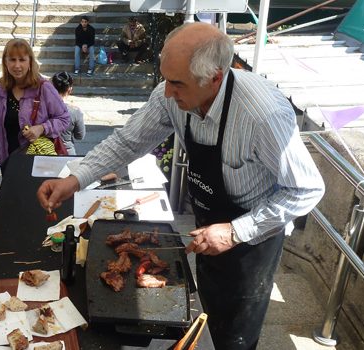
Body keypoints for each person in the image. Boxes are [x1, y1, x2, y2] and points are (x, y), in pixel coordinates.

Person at [37, 23, 325, 349]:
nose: (167, 93)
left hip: (253, 238)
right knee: (209, 308)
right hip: (208, 220)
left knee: (237, 333)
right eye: (165, 79)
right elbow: (129, 142)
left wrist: (235, 231)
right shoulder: (171, 94)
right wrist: (76, 179)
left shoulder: (262, 115)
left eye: (176, 84)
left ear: (214, 77)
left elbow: (306, 189)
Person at [0, 38, 70, 177]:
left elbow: (64, 118)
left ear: (30, 61)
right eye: (12, 59)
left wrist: (42, 128)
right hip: (9, 163)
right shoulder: (1, 90)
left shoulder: (43, 88)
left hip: (38, 164)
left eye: (22, 59)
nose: (17, 65)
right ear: (5, 62)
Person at [51, 72, 86, 155]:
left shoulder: (42, 108)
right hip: (67, 153)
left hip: (44, 151)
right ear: (69, 89)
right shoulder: (75, 111)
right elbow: (80, 136)